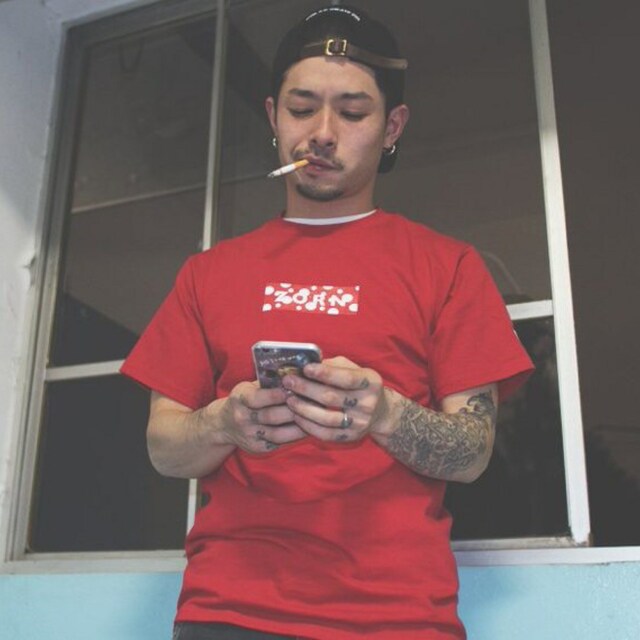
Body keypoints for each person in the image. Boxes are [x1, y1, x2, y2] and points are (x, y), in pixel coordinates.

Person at [121, 6, 534, 639]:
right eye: (301, 107)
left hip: (398, 617)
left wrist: (384, 412)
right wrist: (225, 421)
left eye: (353, 112)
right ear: (272, 116)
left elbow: (472, 452)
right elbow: (163, 448)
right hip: (226, 611)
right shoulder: (209, 272)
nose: (321, 133)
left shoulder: (447, 266)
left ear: (392, 127)